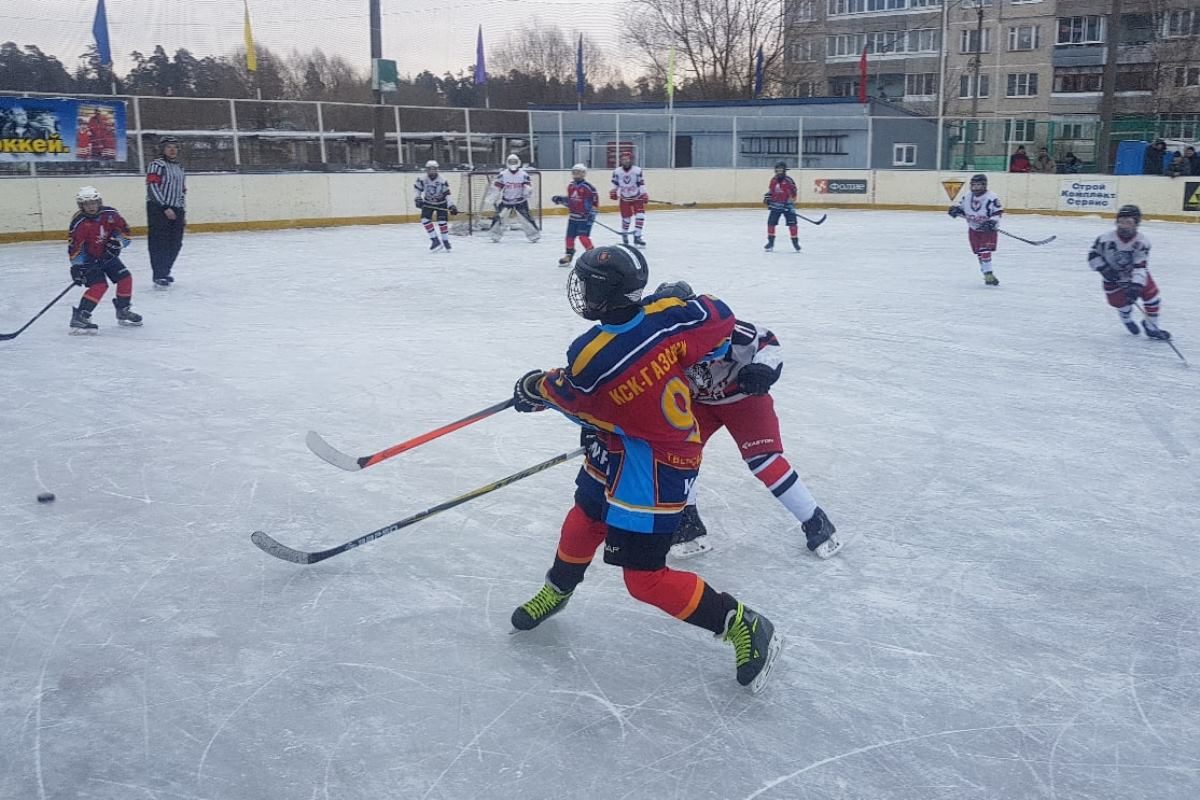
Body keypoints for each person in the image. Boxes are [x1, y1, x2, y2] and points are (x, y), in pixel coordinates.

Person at [509, 246, 783, 693]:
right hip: (620, 442)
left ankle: (743, 624)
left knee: (644, 579)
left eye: (585, 281)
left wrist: (532, 387)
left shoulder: (591, 355)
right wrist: (665, 305)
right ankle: (557, 590)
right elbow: (718, 315)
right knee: (586, 518)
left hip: (657, 465)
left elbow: (575, 396)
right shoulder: (670, 314)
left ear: (600, 292)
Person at [643, 281, 845, 562]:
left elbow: (766, 342)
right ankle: (688, 524)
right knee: (677, 457)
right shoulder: (658, 343)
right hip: (698, 403)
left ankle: (815, 520)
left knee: (764, 461)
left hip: (743, 398)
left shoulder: (724, 329)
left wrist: (763, 370)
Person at [1086, 204, 1170, 340]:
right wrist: (1103, 269)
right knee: (1119, 303)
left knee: (1152, 297)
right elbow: (1093, 256)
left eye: (1128, 222)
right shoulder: (1104, 239)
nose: (1124, 226)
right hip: (1113, 278)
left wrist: (1136, 286)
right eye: (1121, 222)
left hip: (1135, 275)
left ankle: (1152, 327)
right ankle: (1126, 317)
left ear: (1136, 224)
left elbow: (1140, 266)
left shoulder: (1142, 242)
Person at [66, 186, 142, 333]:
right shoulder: (78, 223)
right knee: (99, 286)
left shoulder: (110, 214)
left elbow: (125, 232)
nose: (91, 207)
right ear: (81, 206)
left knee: (125, 278)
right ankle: (81, 316)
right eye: (87, 204)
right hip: (89, 260)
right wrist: (76, 267)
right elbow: (74, 247)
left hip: (107, 256)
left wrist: (118, 243)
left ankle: (123, 310)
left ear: (99, 202)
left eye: (94, 203)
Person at [145, 135, 187, 287]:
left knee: (176, 243)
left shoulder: (180, 168)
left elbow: (182, 191)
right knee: (159, 242)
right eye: (169, 147)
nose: (172, 150)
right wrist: (164, 207)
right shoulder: (157, 165)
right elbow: (152, 186)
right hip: (158, 208)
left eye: (175, 147)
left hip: (176, 209)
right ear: (162, 149)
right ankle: (159, 274)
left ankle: (165, 270)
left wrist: (182, 210)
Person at [948, 173, 1003, 286]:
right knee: (979, 252)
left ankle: (988, 274)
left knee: (984, 250)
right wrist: (956, 210)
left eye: (979, 185)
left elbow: (997, 212)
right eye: (974, 185)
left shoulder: (991, 197)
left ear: (984, 185)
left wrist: (992, 222)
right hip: (973, 228)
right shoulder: (968, 196)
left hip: (988, 230)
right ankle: (986, 273)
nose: (976, 188)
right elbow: (962, 208)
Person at [551, 163, 599, 267]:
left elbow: (594, 203)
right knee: (569, 237)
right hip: (573, 217)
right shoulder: (571, 186)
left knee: (583, 237)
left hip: (584, 218)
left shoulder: (588, 188)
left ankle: (593, 256)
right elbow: (571, 201)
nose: (576, 174)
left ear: (583, 174)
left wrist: (591, 214)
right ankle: (568, 256)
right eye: (574, 172)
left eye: (579, 172)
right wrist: (560, 199)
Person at [485, 154, 540, 243]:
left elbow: (528, 185)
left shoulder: (523, 174)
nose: (513, 163)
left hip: (520, 201)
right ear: (507, 162)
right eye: (511, 162)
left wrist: (527, 190)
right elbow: (497, 187)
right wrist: (492, 197)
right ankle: (495, 235)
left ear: (518, 162)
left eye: (514, 162)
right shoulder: (503, 174)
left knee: (527, 219)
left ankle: (534, 235)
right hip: (506, 201)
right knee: (499, 218)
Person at [413, 160, 457, 252]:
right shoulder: (422, 179)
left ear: (437, 170)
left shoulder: (442, 180)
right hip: (428, 203)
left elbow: (447, 194)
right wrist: (418, 198)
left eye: (434, 169)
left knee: (442, 222)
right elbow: (418, 189)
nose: (432, 171)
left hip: (441, 203)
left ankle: (445, 241)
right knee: (425, 220)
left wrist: (451, 205)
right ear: (427, 170)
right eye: (430, 169)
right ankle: (435, 240)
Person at [610, 151, 648, 247]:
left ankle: (637, 236)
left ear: (631, 160)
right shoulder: (617, 171)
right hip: (624, 198)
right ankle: (625, 235)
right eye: (623, 159)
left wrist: (644, 194)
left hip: (637, 197)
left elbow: (641, 183)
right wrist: (613, 191)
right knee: (626, 219)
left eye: (627, 159)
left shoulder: (637, 170)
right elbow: (615, 183)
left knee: (640, 216)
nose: (625, 161)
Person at [762, 161, 801, 252]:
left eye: (781, 169)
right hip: (776, 206)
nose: (779, 171)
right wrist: (767, 198)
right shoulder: (773, 180)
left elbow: (794, 193)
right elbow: (771, 191)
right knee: (771, 223)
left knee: (793, 224)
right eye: (778, 170)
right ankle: (770, 243)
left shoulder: (789, 180)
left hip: (788, 206)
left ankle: (795, 243)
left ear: (784, 170)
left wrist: (789, 204)